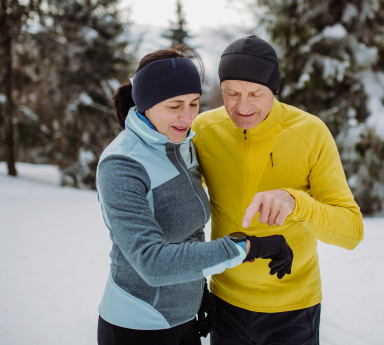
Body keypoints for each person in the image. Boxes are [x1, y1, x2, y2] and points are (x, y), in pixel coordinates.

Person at [95, 44, 294, 345]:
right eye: (174, 106)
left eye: (194, 103)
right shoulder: (122, 164)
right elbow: (152, 262)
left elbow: (189, 234)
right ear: (147, 103)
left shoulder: (180, 145)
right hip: (137, 326)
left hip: (184, 320)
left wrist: (199, 293)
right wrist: (248, 247)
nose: (187, 117)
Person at [191, 36, 364, 345]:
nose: (242, 106)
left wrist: (297, 202)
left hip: (293, 310)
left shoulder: (310, 133)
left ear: (274, 89)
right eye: (231, 93)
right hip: (225, 304)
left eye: (256, 93)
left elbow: (351, 233)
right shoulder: (203, 131)